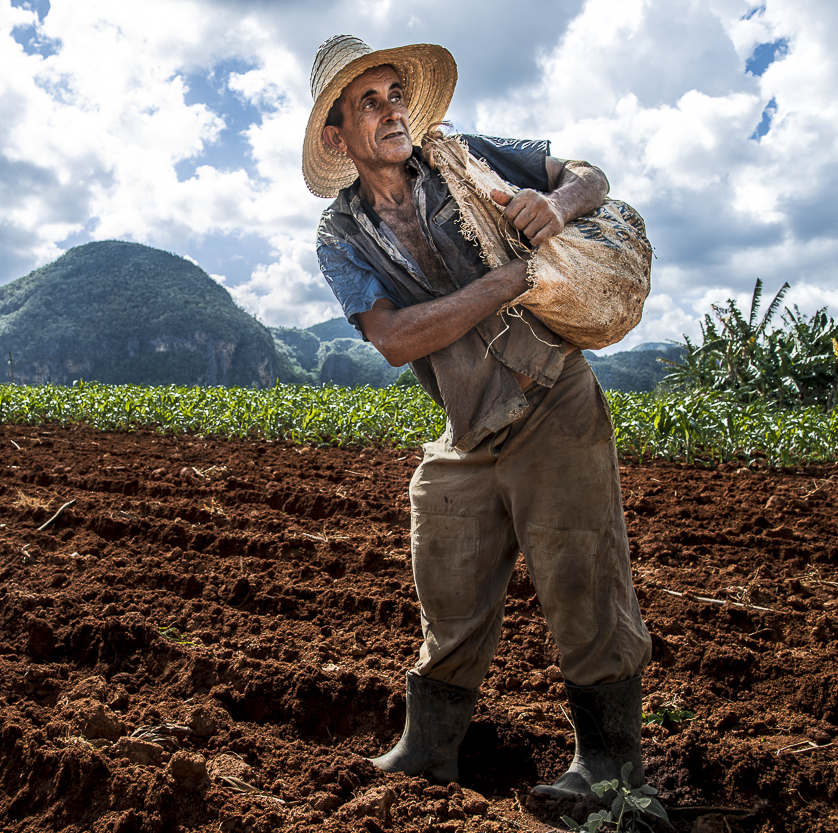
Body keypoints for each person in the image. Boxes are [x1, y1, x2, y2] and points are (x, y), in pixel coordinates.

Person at [302, 35, 653, 808]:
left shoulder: (463, 157)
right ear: (337, 137)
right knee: (447, 585)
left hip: (550, 394)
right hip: (469, 429)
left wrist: (554, 205)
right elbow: (394, 339)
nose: (393, 110)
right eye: (369, 102)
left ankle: (613, 773)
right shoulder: (340, 236)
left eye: (396, 94)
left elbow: (590, 175)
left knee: (583, 579)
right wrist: (504, 283)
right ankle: (428, 752)